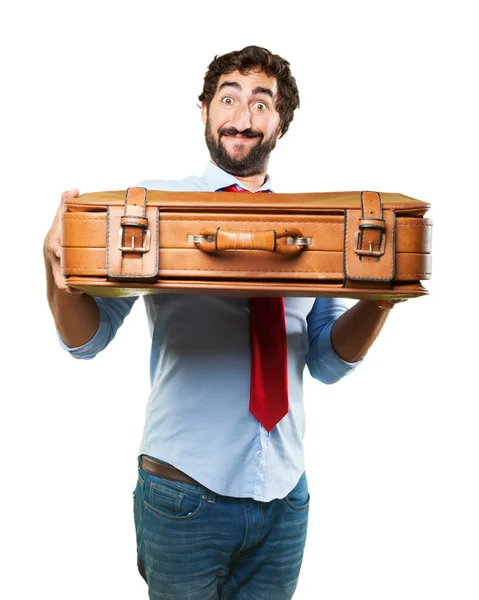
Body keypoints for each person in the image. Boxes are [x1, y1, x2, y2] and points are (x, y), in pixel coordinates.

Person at [44, 45, 402, 600]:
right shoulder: (149, 212)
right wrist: (57, 274)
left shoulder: (323, 226)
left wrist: (381, 299)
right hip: (183, 494)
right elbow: (85, 340)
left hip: (285, 500)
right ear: (206, 111)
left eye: (262, 104)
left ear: (281, 122)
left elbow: (329, 362)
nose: (243, 117)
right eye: (228, 99)